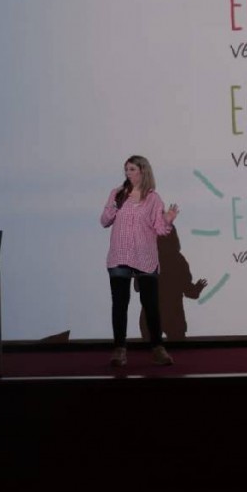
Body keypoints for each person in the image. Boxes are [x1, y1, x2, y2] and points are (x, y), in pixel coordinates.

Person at [100, 155, 180, 367]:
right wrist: (114, 204)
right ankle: (119, 349)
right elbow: (104, 221)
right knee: (120, 303)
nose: (128, 173)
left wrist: (168, 220)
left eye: (132, 169)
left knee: (151, 304)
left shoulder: (153, 198)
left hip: (145, 256)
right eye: (126, 169)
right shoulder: (117, 193)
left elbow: (159, 229)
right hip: (120, 255)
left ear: (143, 171)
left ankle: (157, 348)